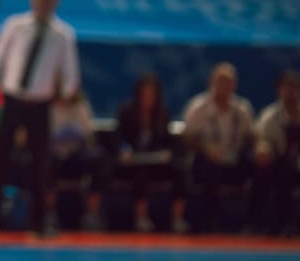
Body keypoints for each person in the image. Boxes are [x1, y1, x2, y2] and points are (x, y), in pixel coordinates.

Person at [0, 0, 80, 237]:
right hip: (10, 98)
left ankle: (38, 224)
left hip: (40, 103)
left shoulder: (63, 34)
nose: (43, 2)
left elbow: (70, 74)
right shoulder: (15, 26)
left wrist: (67, 92)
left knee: (40, 165)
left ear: (56, 1)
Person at [182, 62, 257, 232]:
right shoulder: (198, 108)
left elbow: (252, 137)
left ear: (234, 85)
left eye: (228, 82)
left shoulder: (242, 109)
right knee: (210, 166)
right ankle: (209, 219)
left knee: (262, 167)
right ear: (211, 82)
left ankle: (252, 221)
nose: (223, 86)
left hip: (234, 161)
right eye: (220, 81)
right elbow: (187, 138)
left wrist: (261, 148)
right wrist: (206, 147)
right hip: (206, 162)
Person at [115, 74, 187, 233]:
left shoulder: (163, 114)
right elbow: (119, 137)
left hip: (156, 161)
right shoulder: (126, 111)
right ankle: (141, 218)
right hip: (132, 163)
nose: (148, 97)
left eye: (151, 93)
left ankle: (177, 219)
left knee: (180, 170)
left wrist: (167, 153)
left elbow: (167, 140)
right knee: (141, 173)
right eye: (145, 93)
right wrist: (124, 150)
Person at [46, 90, 106, 232]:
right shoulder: (48, 106)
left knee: (98, 160)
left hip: (77, 157)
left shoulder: (81, 106)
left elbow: (88, 134)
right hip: (55, 156)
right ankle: (49, 213)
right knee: (46, 162)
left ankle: (92, 214)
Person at [254, 70, 300, 235]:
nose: (290, 92)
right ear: (279, 90)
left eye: (294, 88)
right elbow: (261, 140)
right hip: (278, 166)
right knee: (276, 173)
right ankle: (271, 224)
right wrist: (263, 150)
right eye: (286, 88)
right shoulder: (269, 116)